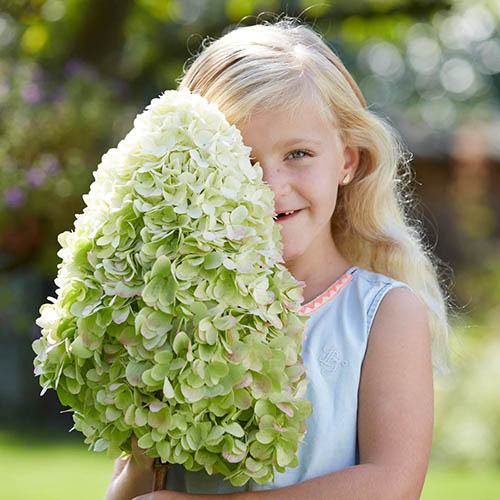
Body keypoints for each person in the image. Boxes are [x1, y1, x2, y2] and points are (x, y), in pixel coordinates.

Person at [106, 17, 451, 500]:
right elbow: (140, 482)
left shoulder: (383, 314)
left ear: (347, 161)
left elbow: (391, 485)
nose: (270, 186)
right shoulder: (173, 316)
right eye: (240, 159)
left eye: (299, 154)